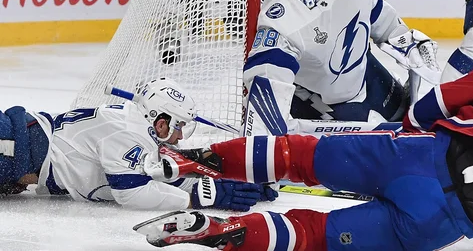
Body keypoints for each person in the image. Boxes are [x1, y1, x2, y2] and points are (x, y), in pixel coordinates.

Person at [133, 33, 473, 251]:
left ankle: (197, 159)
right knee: (314, 236)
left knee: (301, 155)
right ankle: (222, 234)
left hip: (422, 155)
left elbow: (425, 108)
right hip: (445, 219)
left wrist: (408, 148)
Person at [240, 0, 441, 136]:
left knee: (404, 117)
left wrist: (407, 42)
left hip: (366, 73)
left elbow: (383, 21)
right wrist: (261, 131)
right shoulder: (279, 16)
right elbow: (265, 77)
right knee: (373, 151)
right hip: (325, 100)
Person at [0, 77, 275, 211]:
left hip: (18, 149)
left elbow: (150, 173)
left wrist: (211, 180)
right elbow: (130, 193)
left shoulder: (133, 124)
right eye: (178, 127)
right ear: (161, 121)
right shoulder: (127, 132)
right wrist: (201, 195)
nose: (180, 136)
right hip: (12, 148)